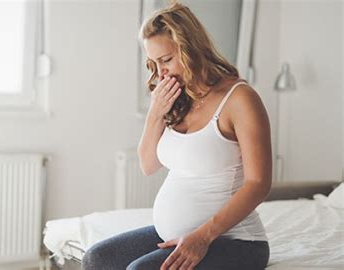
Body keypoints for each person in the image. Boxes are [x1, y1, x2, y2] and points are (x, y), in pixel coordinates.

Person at [82, 1, 271, 270]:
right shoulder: (178, 98)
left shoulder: (240, 99)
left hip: (235, 242)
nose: (161, 73)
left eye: (166, 60)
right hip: (176, 236)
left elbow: (258, 183)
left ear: (191, 48)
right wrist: (155, 112)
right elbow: (148, 165)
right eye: (153, 64)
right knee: (97, 259)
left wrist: (202, 237)